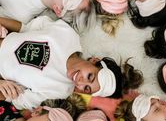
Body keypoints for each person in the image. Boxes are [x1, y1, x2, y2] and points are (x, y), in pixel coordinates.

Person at [0, 15, 143, 109]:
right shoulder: (67, 35)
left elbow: (14, 98)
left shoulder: (59, 91)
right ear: (94, 61)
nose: (80, 83)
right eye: (90, 77)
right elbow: (25, 28)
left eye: (86, 88)